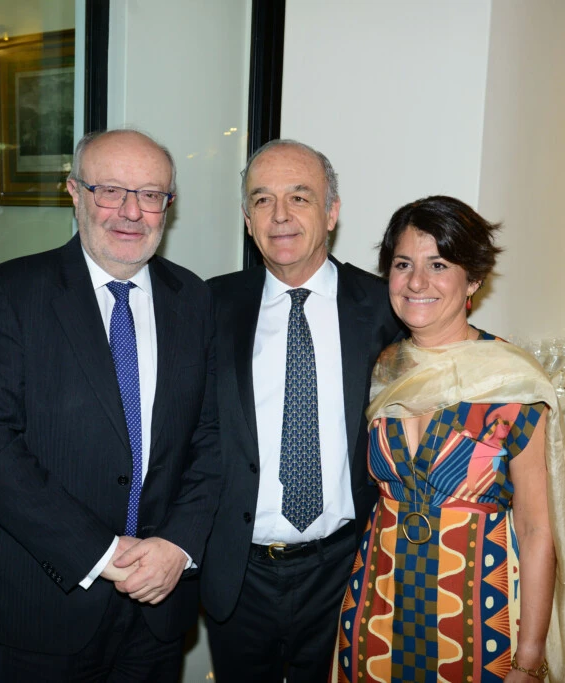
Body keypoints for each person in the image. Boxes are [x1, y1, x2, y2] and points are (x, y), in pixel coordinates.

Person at [0, 129, 219, 682]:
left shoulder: (193, 299)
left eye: (151, 195)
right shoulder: (8, 294)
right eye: (110, 191)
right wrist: (103, 555)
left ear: (168, 206)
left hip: (158, 605)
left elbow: (212, 441)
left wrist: (177, 545)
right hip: (43, 603)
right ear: (74, 192)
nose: (131, 212)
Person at [331, 196, 565, 683]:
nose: (416, 282)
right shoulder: (380, 367)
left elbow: (535, 529)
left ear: (473, 280)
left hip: (477, 613)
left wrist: (529, 660)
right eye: (403, 264)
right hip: (376, 607)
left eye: (438, 265)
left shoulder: (512, 380)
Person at [200, 139, 403, 683]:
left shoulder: (387, 309)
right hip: (238, 573)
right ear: (247, 219)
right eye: (263, 200)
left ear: (332, 212)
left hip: (347, 567)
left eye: (300, 197)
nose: (281, 216)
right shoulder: (207, 307)